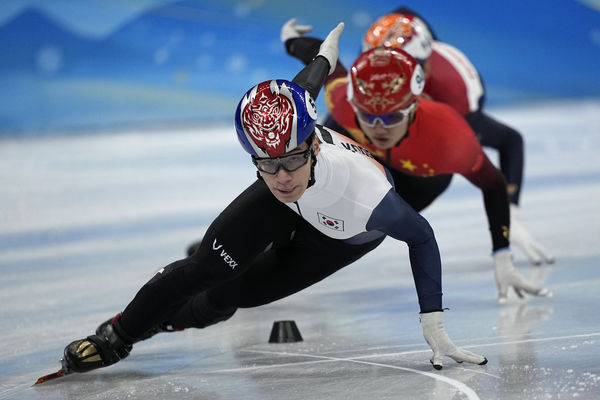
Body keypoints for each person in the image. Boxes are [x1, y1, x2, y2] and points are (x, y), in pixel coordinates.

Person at [58, 22, 486, 377]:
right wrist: (312, 51)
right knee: (204, 268)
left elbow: (422, 236)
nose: (281, 177)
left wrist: (433, 320)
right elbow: (311, 79)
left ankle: (166, 321)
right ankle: (118, 336)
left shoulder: (369, 196)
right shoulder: (288, 128)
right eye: (266, 163)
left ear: (314, 145)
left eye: (292, 160)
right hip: (291, 212)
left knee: (234, 294)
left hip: (339, 234)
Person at [281, 23, 552, 304]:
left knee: (345, 230)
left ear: (425, 70)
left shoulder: (455, 114)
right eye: (376, 68)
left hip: (419, 172)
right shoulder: (352, 97)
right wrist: (291, 41)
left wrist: (509, 223)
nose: (382, 84)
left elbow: (505, 152)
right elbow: (329, 63)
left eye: (397, 76)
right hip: (366, 143)